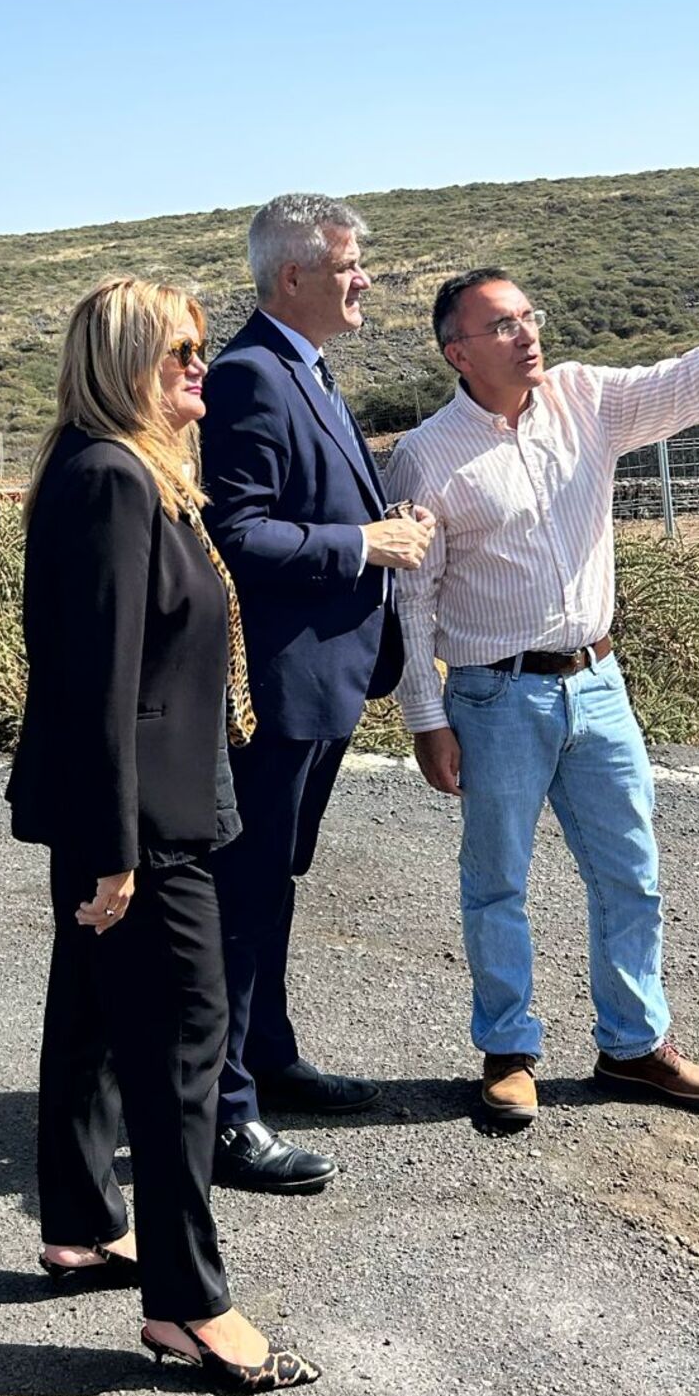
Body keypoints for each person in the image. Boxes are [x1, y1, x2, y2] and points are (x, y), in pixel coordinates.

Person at [386, 265, 699, 1126]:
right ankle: (508, 1051)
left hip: (599, 683)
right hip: (494, 697)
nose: (528, 334)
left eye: (529, 315)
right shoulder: (426, 454)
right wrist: (426, 719)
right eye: (503, 325)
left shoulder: (587, 398)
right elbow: (411, 599)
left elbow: (688, 379)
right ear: (458, 352)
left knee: (631, 875)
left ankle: (634, 1047)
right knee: (497, 882)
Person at [7, 277, 320, 1393]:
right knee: (186, 1046)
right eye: (177, 350)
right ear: (122, 365)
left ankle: (83, 1226)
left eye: (200, 346)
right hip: (142, 822)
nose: (199, 365)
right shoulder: (110, 478)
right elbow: (94, 679)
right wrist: (115, 850)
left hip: (139, 806)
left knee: (92, 1017)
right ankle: (189, 1305)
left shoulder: (127, 470)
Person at [200, 194, 436, 1192]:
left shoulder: (305, 367)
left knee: (272, 884)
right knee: (242, 893)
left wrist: (381, 522)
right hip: (278, 692)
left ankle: (270, 1059)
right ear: (291, 275)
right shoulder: (250, 376)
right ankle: (224, 1116)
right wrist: (364, 543)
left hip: (322, 682)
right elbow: (236, 532)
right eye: (347, 265)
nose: (364, 279)